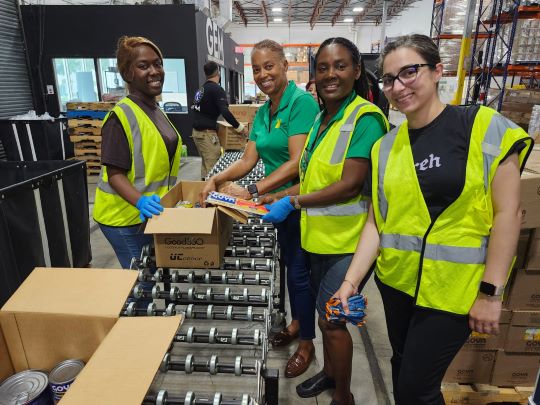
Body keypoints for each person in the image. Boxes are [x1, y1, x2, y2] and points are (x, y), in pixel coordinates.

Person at [334, 34, 533, 405]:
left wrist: (491, 293)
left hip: (452, 292)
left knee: (416, 389)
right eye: (389, 79)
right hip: (396, 286)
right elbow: (378, 224)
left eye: (410, 71)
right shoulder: (385, 147)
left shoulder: (482, 126)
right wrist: (350, 282)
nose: (398, 86)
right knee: (401, 366)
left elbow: (509, 214)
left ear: (438, 70)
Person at [262, 37, 389, 405]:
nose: (330, 74)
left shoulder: (365, 119)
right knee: (322, 319)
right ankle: (332, 375)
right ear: (314, 75)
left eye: (340, 66)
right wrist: (279, 196)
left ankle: (343, 397)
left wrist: (294, 200)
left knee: (332, 322)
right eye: (323, 68)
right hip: (318, 238)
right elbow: (316, 178)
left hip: (349, 244)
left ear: (356, 70)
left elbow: (349, 185)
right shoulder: (323, 118)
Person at [200, 39, 320, 379]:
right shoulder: (265, 111)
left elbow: (297, 163)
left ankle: (308, 343)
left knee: (299, 273)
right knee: (290, 268)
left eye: (269, 66)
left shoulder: (300, 105)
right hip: (275, 204)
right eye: (256, 69)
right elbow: (249, 159)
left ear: (284, 65)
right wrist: (215, 179)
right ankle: (297, 324)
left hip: (299, 201)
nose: (263, 74)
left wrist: (252, 189)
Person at [94, 36, 182, 269]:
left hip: (150, 214)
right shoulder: (120, 117)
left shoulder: (154, 108)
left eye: (158, 64)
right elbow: (114, 175)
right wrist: (140, 201)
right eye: (144, 66)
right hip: (124, 218)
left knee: (150, 278)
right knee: (140, 286)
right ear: (127, 73)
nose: (154, 71)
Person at [191, 61, 248, 179]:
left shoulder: (200, 90)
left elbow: (197, 109)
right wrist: (240, 128)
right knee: (213, 168)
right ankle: (210, 195)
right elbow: (225, 112)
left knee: (206, 165)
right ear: (218, 72)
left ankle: (203, 187)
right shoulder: (216, 89)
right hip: (207, 134)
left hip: (197, 133)